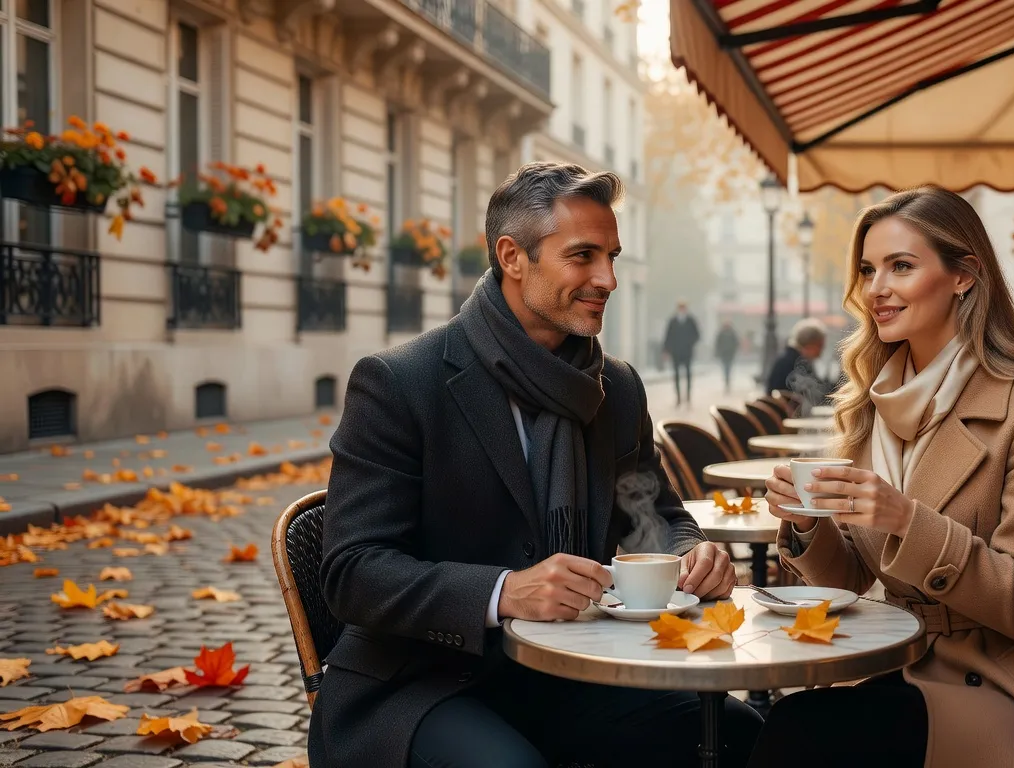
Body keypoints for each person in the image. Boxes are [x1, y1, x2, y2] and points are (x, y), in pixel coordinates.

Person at [309, 162, 760, 768]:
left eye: (613, 257)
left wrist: (689, 553)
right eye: (583, 256)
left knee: (741, 731)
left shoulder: (617, 389)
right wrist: (503, 592)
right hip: (427, 682)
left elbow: (653, 516)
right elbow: (352, 572)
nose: (607, 278)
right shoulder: (400, 382)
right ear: (512, 257)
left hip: (580, 674)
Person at [749, 187, 1014, 768]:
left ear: (964, 275)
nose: (876, 288)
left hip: (992, 680)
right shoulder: (873, 402)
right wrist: (809, 525)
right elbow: (857, 580)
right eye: (867, 270)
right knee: (768, 726)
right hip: (890, 658)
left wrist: (907, 520)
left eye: (901, 266)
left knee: (796, 732)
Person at [765, 318, 833, 404]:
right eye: (820, 346)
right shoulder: (797, 363)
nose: (820, 352)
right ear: (810, 344)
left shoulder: (788, 359)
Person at [662, 300, 701, 406]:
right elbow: (668, 336)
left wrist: (690, 343)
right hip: (676, 352)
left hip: (687, 352)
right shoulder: (673, 321)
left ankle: (688, 396)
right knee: (677, 375)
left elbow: (697, 335)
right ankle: (678, 397)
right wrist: (666, 349)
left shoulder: (691, 320)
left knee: (688, 374)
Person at [715, 319, 740, 393]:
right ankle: (726, 381)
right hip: (724, 354)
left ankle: (727, 381)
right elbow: (718, 343)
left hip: (730, 354)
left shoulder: (732, 333)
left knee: (728, 368)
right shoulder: (721, 333)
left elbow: (736, 343)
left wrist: (733, 350)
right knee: (725, 368)